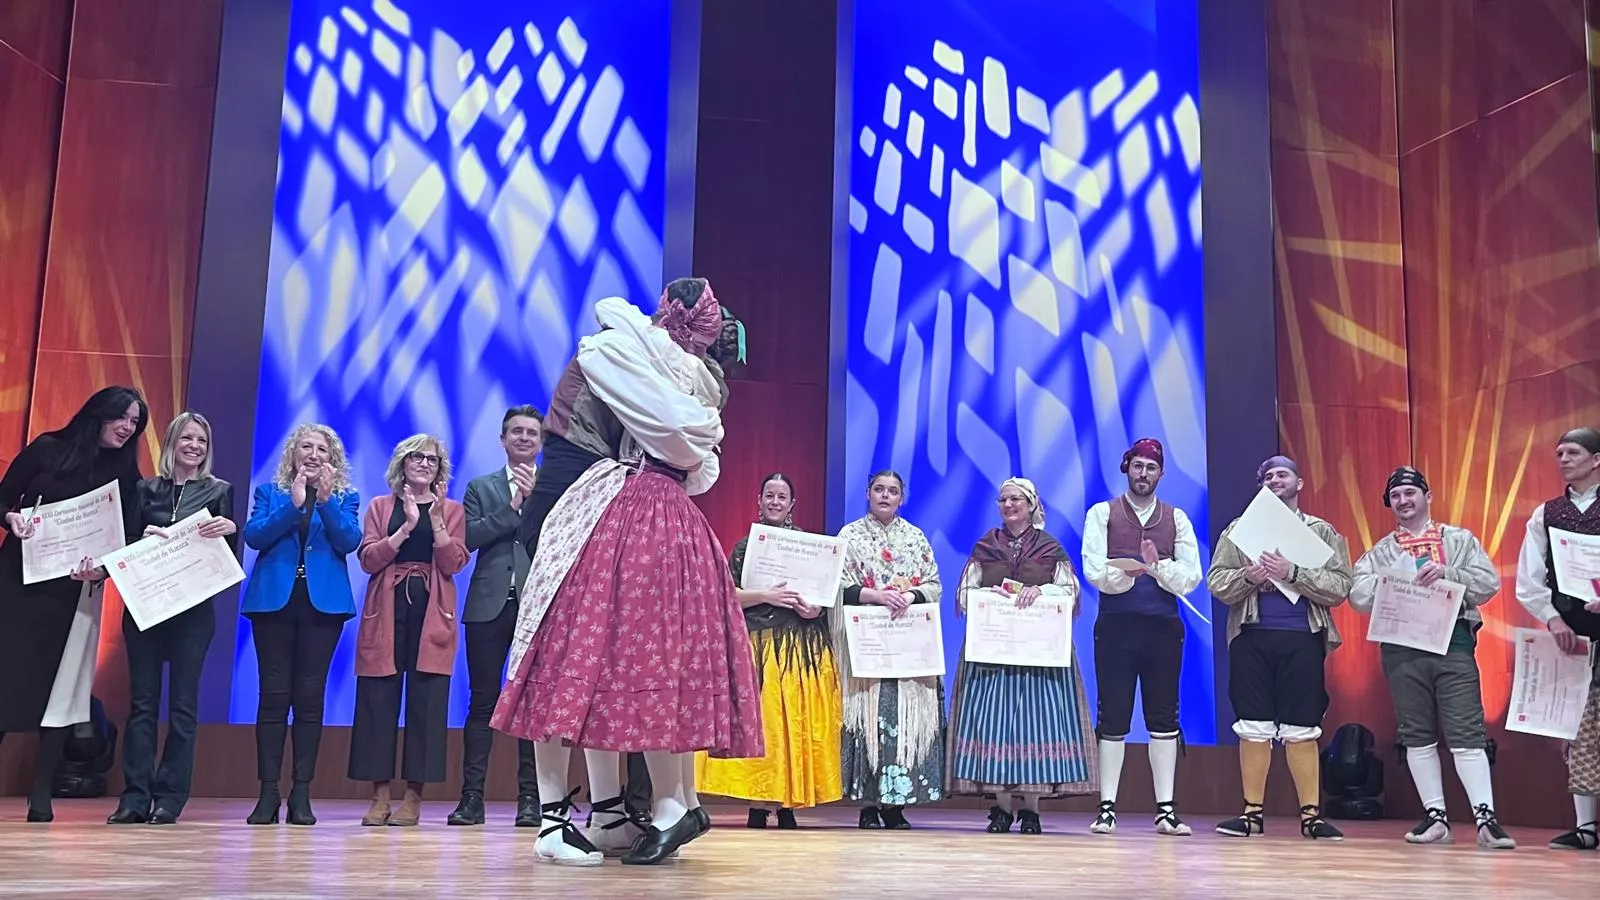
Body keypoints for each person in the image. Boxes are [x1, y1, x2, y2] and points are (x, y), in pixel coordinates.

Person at [494, 287, 761, 867]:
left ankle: (605, 812)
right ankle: (587, 815)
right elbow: (690, 451)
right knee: (590, 654)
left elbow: (691, 450)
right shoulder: (633, 358)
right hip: (609, 504)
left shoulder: (646, 364)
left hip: (619, 505)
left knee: (600, 655)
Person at [0, 386, 146, 822]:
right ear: (97, 412)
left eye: (136, 423)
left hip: (76, 592)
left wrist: (104, 569)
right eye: (123, 417)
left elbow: (131, 535)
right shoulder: (48, 448)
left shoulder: (125, 474)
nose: (128, 427)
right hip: (18, 584)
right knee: (7, 677)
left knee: (62, 689)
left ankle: (41, 793)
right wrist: (11, 517)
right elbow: (4, 497)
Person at [1350, 465, 1512, 848]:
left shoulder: (1458, 540)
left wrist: (1446, 572)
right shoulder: (1382, 551)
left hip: (1452, 643)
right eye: (1395, 496)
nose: (1403, 501)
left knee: (1466, 730)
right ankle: (1435, 816)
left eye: (1410, 493)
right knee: (1415, 732)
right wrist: (1392, 580)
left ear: (1428, 497)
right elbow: (1357, 595)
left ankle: (1485, 818)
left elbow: (1488, 582)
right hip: (1401, 646)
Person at [1207, 456, 1351, 841]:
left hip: (1302, 637)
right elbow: (1217, 583)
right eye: (1267, 476)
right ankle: (1251, 814)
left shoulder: (1321, 531)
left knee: (1302, 725)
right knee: (1253, 724)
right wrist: (1249, 576)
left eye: (1282, 474)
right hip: (1251, 636)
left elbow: (1340, 586)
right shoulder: (1238, 531)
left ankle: (1311, 816)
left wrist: (1293, 573)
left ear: (1299, 483)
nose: (1274, 480)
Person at [107, 411, 237, 826]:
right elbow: (121, 545)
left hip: (193, 615)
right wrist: (139, 539)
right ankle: (134, 797)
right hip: (146, 609)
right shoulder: (146, 489)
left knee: (182, 708)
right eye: (187, 438)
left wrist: (232, 531)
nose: (194, 446)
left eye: (202, 440)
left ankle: (170, 798)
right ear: (172, 443)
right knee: (142, 705)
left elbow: (226, 559)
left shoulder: (219, 491)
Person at [947, 477, 1096, 835]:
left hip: (1037, 654)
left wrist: (1039, 591)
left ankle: (1031, 809)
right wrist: (990, 598)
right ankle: (1000, 808)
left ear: (1031, 505)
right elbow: (966, 593)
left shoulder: (1049, 548)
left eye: (1016, 499)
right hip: (994, 651)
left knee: (1036, 725)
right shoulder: (987, 545)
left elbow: (1069, 592)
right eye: (1003, 500)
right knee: (996, 727)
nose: (1009, 505)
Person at [696, 473, 843, 829]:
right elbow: (727, 595)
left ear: (792, 504)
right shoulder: (746, 547)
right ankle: (759, 804)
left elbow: (824, 595)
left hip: (801, 644)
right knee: (767, 725)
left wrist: (816, 609)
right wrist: (765, 595)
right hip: (759, 644)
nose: (776, 502)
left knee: (795, 722)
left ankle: (788, 803)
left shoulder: (808, 547)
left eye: (782, 497)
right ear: (758, 501)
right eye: (770, 496)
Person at [1080, 437, 1203, 836]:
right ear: (1126, 468)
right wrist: (1128, 573)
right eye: (1137, 466)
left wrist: (1158, 567)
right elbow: (1094, 568)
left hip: (1163, 628)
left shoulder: (1177, 518)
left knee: (1164, 717)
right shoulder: (1103, 513)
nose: (1143, 473)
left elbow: (1190, 577)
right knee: (1112, 716)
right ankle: (1106, 807)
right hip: (1116, 626)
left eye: (1151, 467)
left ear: (1161, 473)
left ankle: (1166, 809)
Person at [240, 423, 361, 826]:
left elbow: (349, 541)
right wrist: (291, 505)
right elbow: (255, 536)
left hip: (321, 608)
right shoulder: (270, 493)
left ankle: (302, 794)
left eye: (321, 450)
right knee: (273, 697)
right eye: (305, 447)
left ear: (333, 459)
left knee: (310, 699)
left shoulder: (345, 497)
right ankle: (267, 793)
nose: (313, 454)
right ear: (293, 454)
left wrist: (324, 502)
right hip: (273, 604)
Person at [349, 434, 469, 826]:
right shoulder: (381, 506)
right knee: (378, 699)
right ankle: (379, 797)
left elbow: (453, 564)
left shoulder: (451, 509)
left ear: (440, 470)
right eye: (416, 457)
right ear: (402, 463)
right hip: (386, 609)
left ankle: (413, 798)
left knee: (428, 702)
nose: (423, 464)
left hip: (432, 612)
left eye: (431, 460)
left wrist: (434, 524)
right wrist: (404, 530)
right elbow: (368, 559)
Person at [450, 405, 544, 827]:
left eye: (532, 433)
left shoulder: (556, 488)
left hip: (537, 605)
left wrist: (533, 501)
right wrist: (514, 505)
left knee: (531, 706)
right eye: (516, 432)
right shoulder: (480, 486)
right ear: (503, 439)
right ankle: (472, 798)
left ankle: (531, 798)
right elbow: (470, 536)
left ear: (541, 443)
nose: (524, 438)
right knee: (482, 702)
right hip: (487, 603)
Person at [835, 470, 945, 830]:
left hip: (906, 644)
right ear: (867, 493)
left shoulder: (915, 538)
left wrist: (910, 595)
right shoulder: (849, 536)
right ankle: (868, 803)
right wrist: (875, 595)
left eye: (893, 491)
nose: (885, 496)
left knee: (902, 720)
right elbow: (836, 585)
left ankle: (895, 804)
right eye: (879, 489)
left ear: (902, 498)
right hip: (866, 642)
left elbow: (934, 585)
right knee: (867, 719)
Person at [1515, 426, 1600, 850]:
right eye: (1559, 453)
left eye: (1572, 452)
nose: (1563, 459)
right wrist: (1553, 620)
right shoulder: (1546, 513)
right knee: (1578, 730)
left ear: (1596, 459)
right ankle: (1586, 828)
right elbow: (1529, 578)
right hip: (1573, 635)